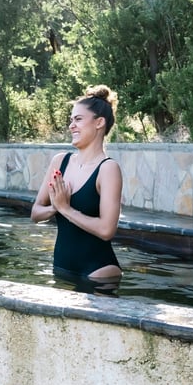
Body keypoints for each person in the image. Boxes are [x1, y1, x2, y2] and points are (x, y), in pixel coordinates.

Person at [31, 85, 123, 287]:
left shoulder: (108, 169)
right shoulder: (60, 162)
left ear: (99, 123)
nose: (71, 125)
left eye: (78, 119)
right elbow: (35, 213)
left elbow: (107, 230)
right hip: (61, 268)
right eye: (71, 120)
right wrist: (55, 207)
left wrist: (65, 208)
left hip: (98, 272)